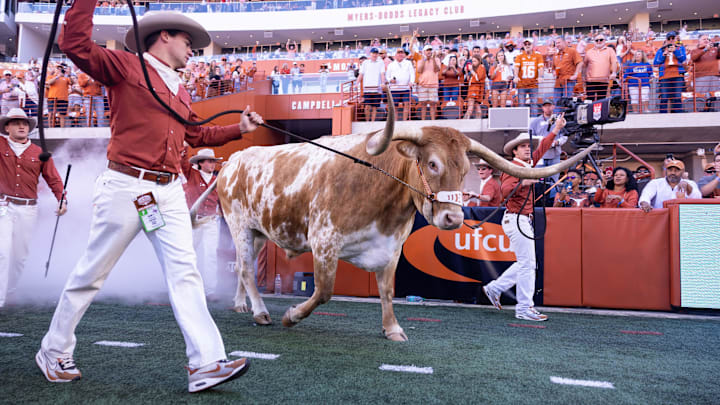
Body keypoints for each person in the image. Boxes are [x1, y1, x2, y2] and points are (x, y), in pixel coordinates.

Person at [37, 6, 262, 392]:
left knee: (185, 273)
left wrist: (237, 129)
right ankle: (53, 349)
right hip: (127, 185)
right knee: (92, 273)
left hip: (167, 191)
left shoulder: (180, 86)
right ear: (164, 37)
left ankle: (206, 363)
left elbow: (196, 135)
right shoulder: (124, 66)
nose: (194, 50)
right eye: (188, 42)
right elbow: (73, 43)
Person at [483, 113, 567, 322]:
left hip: (520, 219)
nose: (527, 149)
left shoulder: (525, 166)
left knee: (525, 263)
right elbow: (505, 190)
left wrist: (556, 129)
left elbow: (543, 148)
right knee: (528, 264)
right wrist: (527, 182)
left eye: (527, 146)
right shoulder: (512, 167)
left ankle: (495, 288)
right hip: (517, 218)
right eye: (522, 147)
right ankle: (523, 307)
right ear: (515, 150)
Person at [0, 108, 66, 309]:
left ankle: (9, 291)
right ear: (7, 127)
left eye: (25, 123)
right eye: (16, 122)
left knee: (20, 256)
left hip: (28, 209)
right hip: (3, 205)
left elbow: (53, 179)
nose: (22, 126)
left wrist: (62, 199)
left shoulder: (39, 152)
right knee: (2, 252)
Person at [182, 148, 222, 299]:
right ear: (201, 163)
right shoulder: (192, 174)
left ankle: (209, 290)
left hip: (210, 221)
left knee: (210, 254)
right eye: (210, 161)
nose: (213, 164)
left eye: (213, 162)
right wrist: (184, 147)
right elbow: (182, 162)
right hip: (193, 220)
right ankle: (184, 287)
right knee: (188, 254)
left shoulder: (218, 179)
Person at [529, 98, 567, 201]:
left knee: (554, 179)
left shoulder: (559, 120)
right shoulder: (535, 122)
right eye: (545, 106)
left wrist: (556, 142)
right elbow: (531, 138)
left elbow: (565, 136)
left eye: (550, 105)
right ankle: (537, 199)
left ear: (553, 107)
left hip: (554, 154)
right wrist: (541, 142)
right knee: (538, 178)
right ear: (542, 108)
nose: (548, 108)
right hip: (540, 155)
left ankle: (553, 200)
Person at [653, 31, 686, 114]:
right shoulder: (660, 50)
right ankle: (663, 116)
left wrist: (675, 51)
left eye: (673, 38)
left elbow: (683, 59)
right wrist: (664, 55)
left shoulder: (680, 48)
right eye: (669, 38)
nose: (671, 40)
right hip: (664, 76)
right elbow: (656, 63)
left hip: (677, 75)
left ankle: (678, 116)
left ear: (675, 39)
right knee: (664, 97)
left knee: (677, 97)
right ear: (666, 40)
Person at [513, 38, 544, 115]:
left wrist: (540, 76)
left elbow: (541, 67)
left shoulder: (538, 55)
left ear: (532, 45)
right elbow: (516, 67)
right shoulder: (519, 56)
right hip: (522, 85)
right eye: (525, 44)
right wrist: (516, 76)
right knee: (521, 104)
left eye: (529, 44)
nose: (527, 46)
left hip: (533, 84)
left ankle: (533, 123)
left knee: (534, 104)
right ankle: (522, 122)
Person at [583, 34, 617, 101]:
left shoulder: (610, 50)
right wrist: (583, 76)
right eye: (596, 40)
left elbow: (614, 62)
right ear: (594, 41)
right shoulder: (589, 52)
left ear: (604, 41)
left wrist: (614, 72)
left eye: (601, 40)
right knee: (589, 101)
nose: (599, 41)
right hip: (590, 81)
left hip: (603, 80)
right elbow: (584, 65)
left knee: (601, 101)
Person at [385, 48, 415, 121]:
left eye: (402, 52)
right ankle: (395, 121)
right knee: (395, 106)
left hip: (406, 88)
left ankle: (405, 121)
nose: (400, 54)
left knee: (407, 104)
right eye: (399, 52)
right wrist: (390, 80)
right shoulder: (391, 65)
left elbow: (412, 73)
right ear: (395, 54)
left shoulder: (408, 63)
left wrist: (412, 81)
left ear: (404, 54)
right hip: (394, 89)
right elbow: (387, 76)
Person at [357, 47, 385, 122]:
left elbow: (382, 74)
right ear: (370, 54)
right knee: (367, 107)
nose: (375, 55)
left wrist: (383, 83)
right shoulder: (365, 63)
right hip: (367, 89)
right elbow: (361, 74)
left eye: (376, 53)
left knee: (375, 107)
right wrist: (356, 83)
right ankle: (367, 121)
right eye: (373, 53)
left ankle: (372, 122)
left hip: (377, 89)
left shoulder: (381, 62)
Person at [552, 36, 582, 104]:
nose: (557, 45)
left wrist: (575, 74)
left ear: (564, 42)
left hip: (568, 81)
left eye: (559, 42)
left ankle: (565, 114)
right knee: (556, 101)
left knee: (567, 102)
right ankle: (557, 114)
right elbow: (553, 68)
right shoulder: (555, 55)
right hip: (558, 82)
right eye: (556, 43)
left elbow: (580, 62)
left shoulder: (572, 51)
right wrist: (554, 72)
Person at [690, 34, 720, 100]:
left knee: (716, 97)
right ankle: (700, 110)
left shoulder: (715, 49)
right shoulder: (694, 51)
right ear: (699, 41)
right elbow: (694, 58)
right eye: (704, 39)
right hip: (701, 77)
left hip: (715, 76)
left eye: (708, 39)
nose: (706, 40)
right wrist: (705, 49)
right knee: (701, 97)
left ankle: (715, 110)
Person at [416, 45, 440, 120]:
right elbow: (419, 71)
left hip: (433, 85)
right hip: (423, 85)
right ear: (424, 52)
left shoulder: (436, 59)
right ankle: (423, 122)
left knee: (433, 105)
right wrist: (424, 60)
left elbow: (437, 69)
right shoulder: (420, 60)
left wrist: (433, 59)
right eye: (427, 50)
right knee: (423, 105)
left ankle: (433, 122)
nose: (429, 51)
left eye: (430, 50)